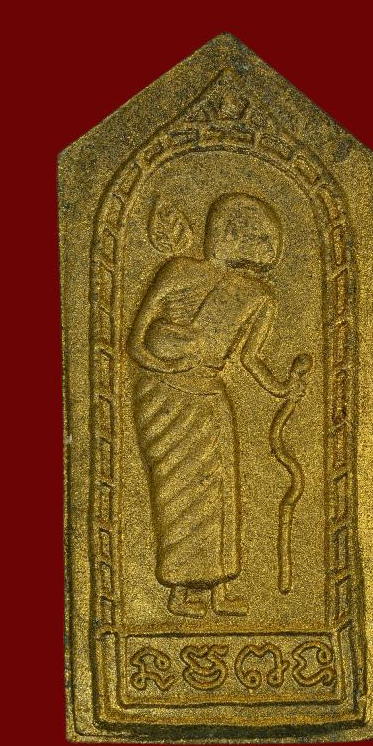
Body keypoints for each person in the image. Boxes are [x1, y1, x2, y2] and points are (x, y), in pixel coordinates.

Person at [127, 192, 302, 617]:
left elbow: (249, 359)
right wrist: (166, 362)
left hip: (210, 396)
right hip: (164, 395)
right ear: (227, 233)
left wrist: (283, 388)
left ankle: (219, 590)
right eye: (251, 235)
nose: (259, 246)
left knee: (221, 490)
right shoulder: (179, 270)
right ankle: (180, 592)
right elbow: (136, 341)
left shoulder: (258, 297)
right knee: (178, 494)